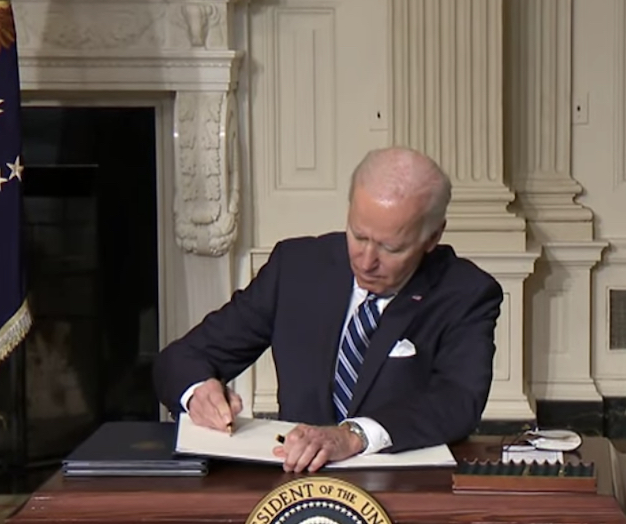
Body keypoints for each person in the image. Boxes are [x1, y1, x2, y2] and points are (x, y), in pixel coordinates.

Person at [153, 147, 503, 474]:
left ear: (432, 238)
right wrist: (198, 391)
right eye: (359, 235)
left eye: (390, 248)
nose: (366, 261)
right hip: (292, 484)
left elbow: (457, 401)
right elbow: (181, 358)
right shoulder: (296, 268)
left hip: (401, 489)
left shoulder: (465, 293)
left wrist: (353, 436)